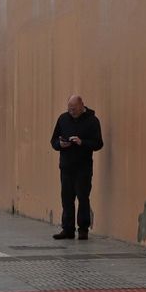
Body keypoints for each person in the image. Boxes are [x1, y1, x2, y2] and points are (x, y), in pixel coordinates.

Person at [49, 95, 104, 240]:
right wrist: (60, 144)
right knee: (66, 198)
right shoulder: (63, 119)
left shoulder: (92, 121)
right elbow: (53, 141)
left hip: (83, 167)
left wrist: (82, 142)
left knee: (83, 197)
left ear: (82, 106)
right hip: (66, 166)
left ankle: (83, 229)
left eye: (74, 109)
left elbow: (98, 143)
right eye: (69, 109)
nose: (71, 112)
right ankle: (67, 229)